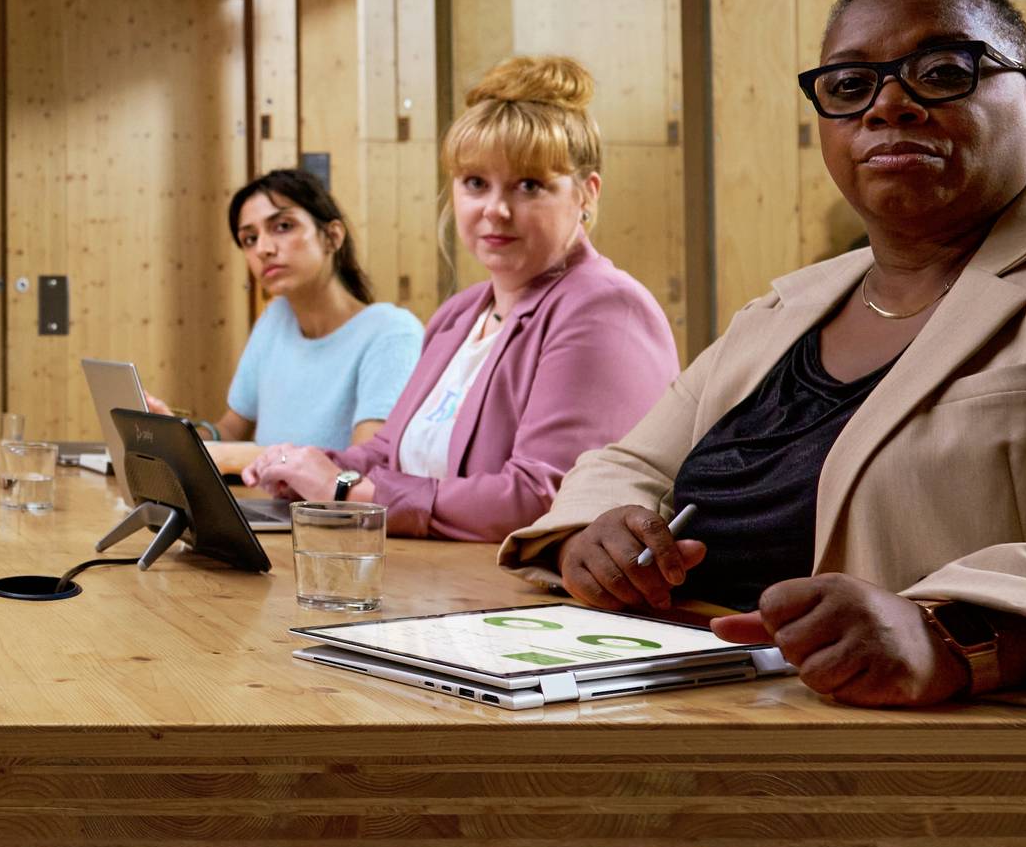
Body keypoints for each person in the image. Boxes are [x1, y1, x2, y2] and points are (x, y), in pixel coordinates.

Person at [502, 0, 1026, 847]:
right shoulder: (790, 306)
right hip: (723, 747)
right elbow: (625, 461)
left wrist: (955, 632)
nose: (889, 105)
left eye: (943, 70)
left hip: (994, 791)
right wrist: (594, 530)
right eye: (849, 85)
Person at [240, 56, 678, 541]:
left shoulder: (605, 309)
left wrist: (348, 493)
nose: (496, 209)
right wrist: (308, 467)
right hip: (434, 582)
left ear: (586, 195)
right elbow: (387, 451)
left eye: (528, 185)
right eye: (476, 183)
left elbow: (543, 499)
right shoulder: (459, 314)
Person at [145, 169, 422, 455]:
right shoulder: (275, 318)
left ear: (332, 236)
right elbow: (230, 430)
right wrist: (177, 437)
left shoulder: (392, 332)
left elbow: (367, 464)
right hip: (264, 498)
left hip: (321, 501)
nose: (263, 249)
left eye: (283, 226)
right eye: (249, 239)